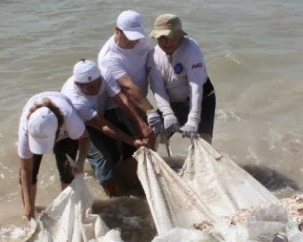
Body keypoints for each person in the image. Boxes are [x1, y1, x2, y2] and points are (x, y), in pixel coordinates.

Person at [61, 59, 149, 197]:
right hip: (83, 125)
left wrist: (141, 126)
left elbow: (122, 101)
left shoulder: (103, 74)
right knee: (103, 158)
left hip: (100, 114)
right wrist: (132, 141)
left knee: (115, 152)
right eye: (90, 88)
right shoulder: (75, 100)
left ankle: (125, 179)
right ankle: (113, 198)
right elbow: (103, 126)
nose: (96, 89)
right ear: (78, 85)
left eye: (98, 84)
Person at [17, 92, 90, 220]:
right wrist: (28, 206)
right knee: (31, 174)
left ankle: (66, 215)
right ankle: (30, 216)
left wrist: (80, 161)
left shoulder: (70, 119)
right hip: (38, 131)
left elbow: (85, 138)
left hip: (65, 135)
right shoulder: (26, 128)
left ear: (57, 131)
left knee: (67, 173)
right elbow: (25, 169)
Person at [148, 14, 216, 143]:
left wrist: (193, 119)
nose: (164, 42)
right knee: (151, 138)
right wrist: (167, 113)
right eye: (159, 38)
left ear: (179, 35)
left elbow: (195, 86)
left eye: (167, 37)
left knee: (203, 142)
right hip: (172, 102)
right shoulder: (153, 56)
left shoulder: (192, 50)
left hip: (201, 99)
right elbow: (157, 88)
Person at [97, 10, 162, 140]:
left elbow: (152, 63)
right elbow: (128, 87)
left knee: (154, 134)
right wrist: (150, 111)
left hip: (140, 100)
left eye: (136, 36)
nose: (134, 41)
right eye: (129, 37)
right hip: (120, 106)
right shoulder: (109, 57)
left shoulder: (140, 40)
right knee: (146, 137)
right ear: (117, 30)